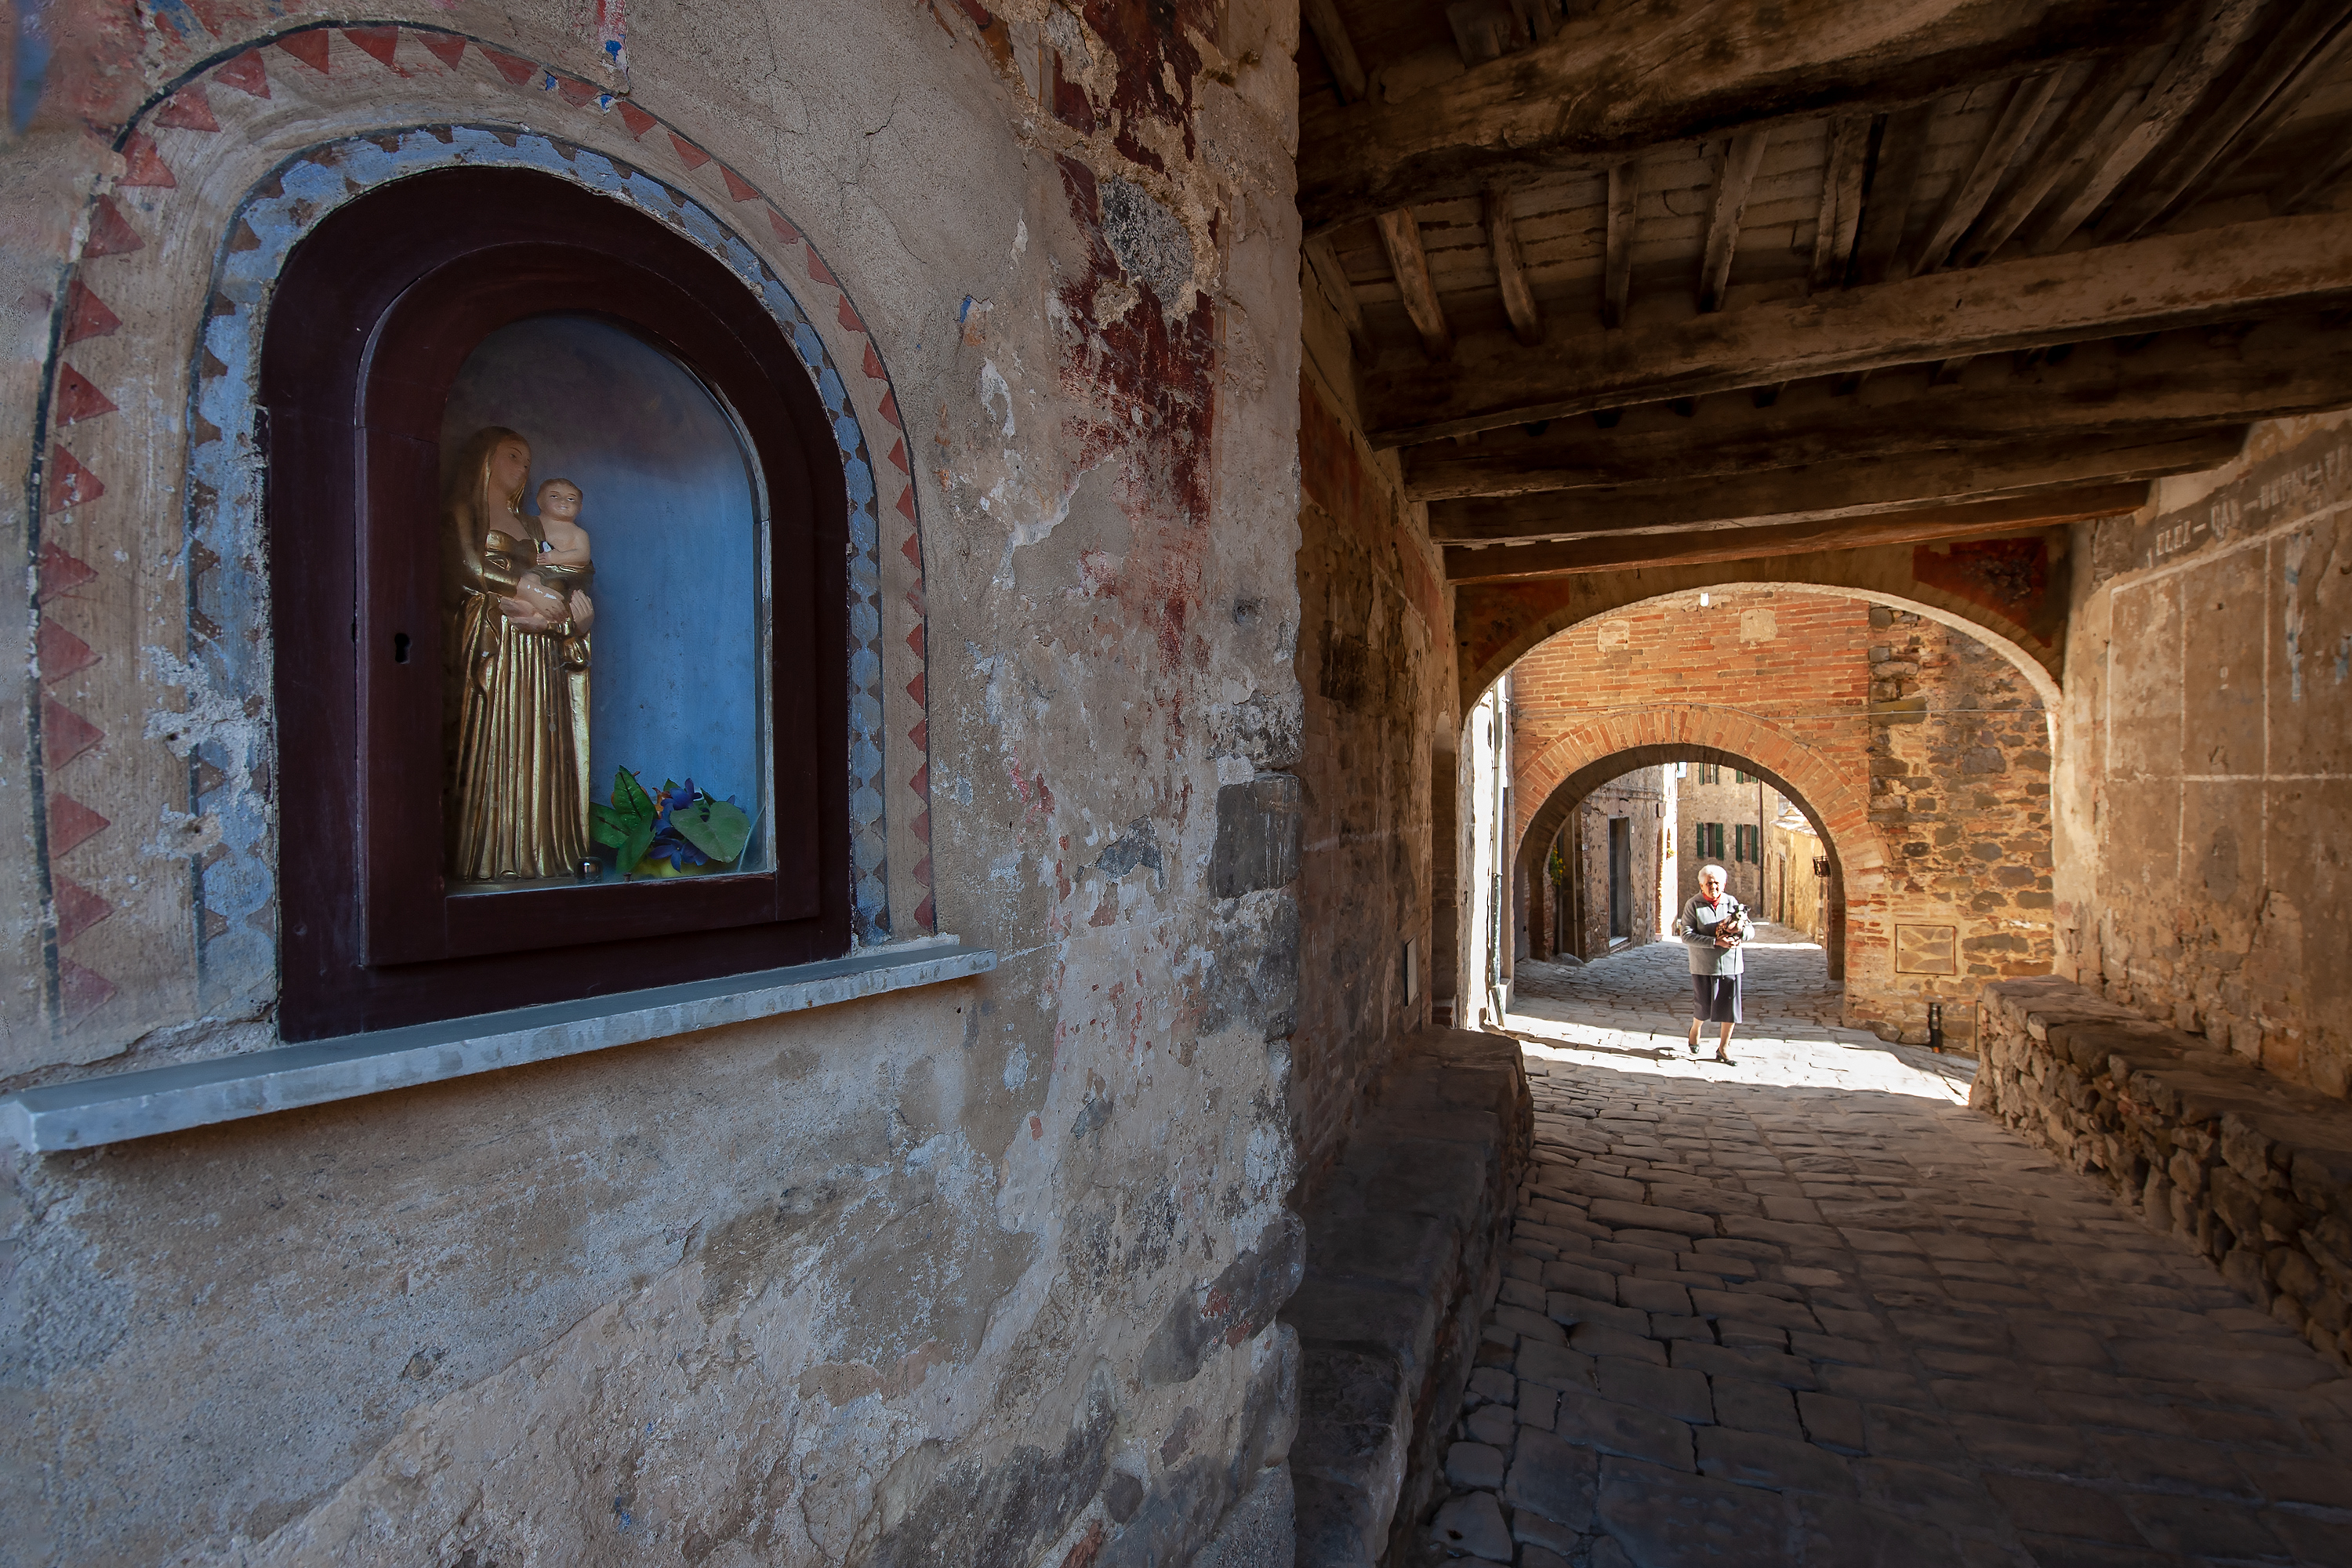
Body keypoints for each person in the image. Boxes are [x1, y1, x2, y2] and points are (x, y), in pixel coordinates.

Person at [443, 427, 596, 882]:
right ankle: (490, 855)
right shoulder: (463, 512)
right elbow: (467, 567)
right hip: (494, 640)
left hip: (538, 648)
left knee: (543, 742)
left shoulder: (533, 526)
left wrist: (564, 621)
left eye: (528, 461)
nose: (523, 468)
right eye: (513, 456)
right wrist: (521, 587)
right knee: (498, 736)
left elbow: (567, 577)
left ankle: (543, 851)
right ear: (486, 459)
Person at [1677, 862, 1748, 1063]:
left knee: (1730, 1009)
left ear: (1723, 885)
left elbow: (1749, 930)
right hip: (1703, 966)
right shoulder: (1693, 905)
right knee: (1704, 1007)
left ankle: (1723, 1048)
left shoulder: (1733, 904)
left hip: (1731, 965)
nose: (1713, 887)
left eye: (1717, 883)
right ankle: (1695, 1029)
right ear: (1702, 885)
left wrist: (1739, 931)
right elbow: (1686, 935)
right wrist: (1715, 941)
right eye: (1708, 883)